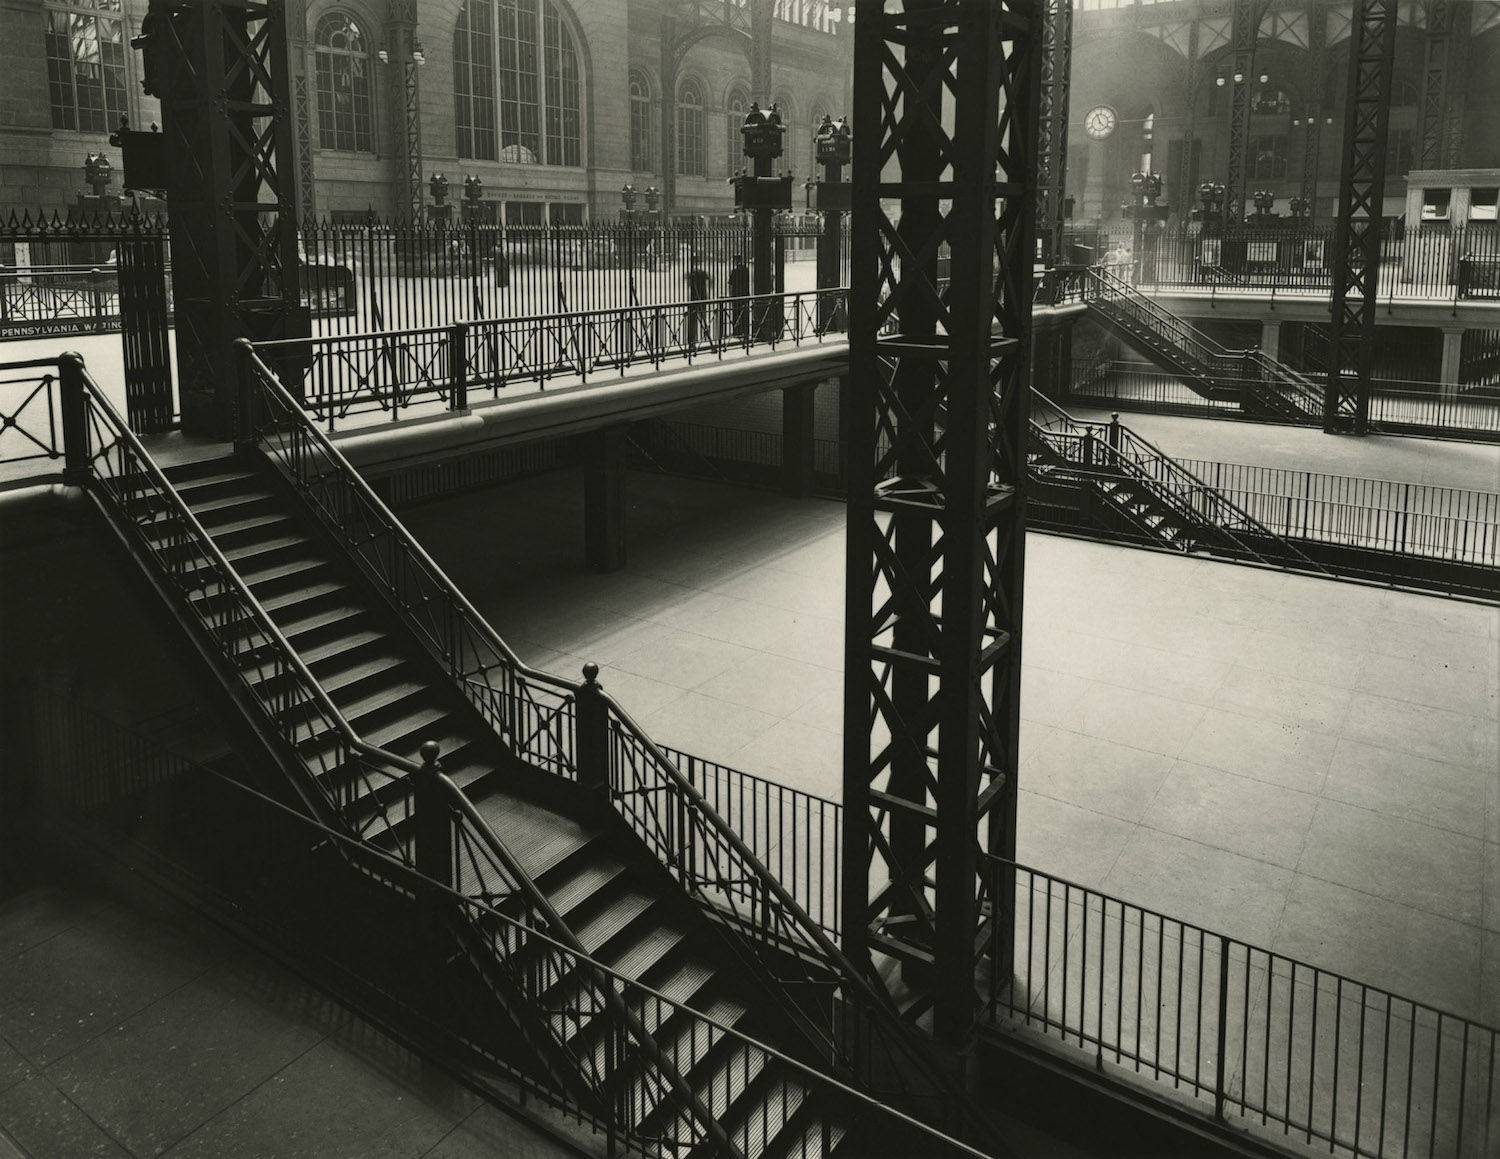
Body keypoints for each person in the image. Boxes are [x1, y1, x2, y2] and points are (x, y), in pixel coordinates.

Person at [686, 254, 710, 346]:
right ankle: (706, 335)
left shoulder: (691, 272)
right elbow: (709, 280)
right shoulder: (702, 271)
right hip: (703, 296)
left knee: (693, 319)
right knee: (703, 317)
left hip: (694, 298)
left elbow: (687, 283)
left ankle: (692, 339)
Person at [727, 253, 749, 338]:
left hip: (736, 295)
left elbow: (730, 283)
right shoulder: (746, 270)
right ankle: (745, 330)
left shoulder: (734, 271)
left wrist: (730, 294)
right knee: (744, 312)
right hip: (745, 294)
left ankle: (737, 331)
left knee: (736, 313)